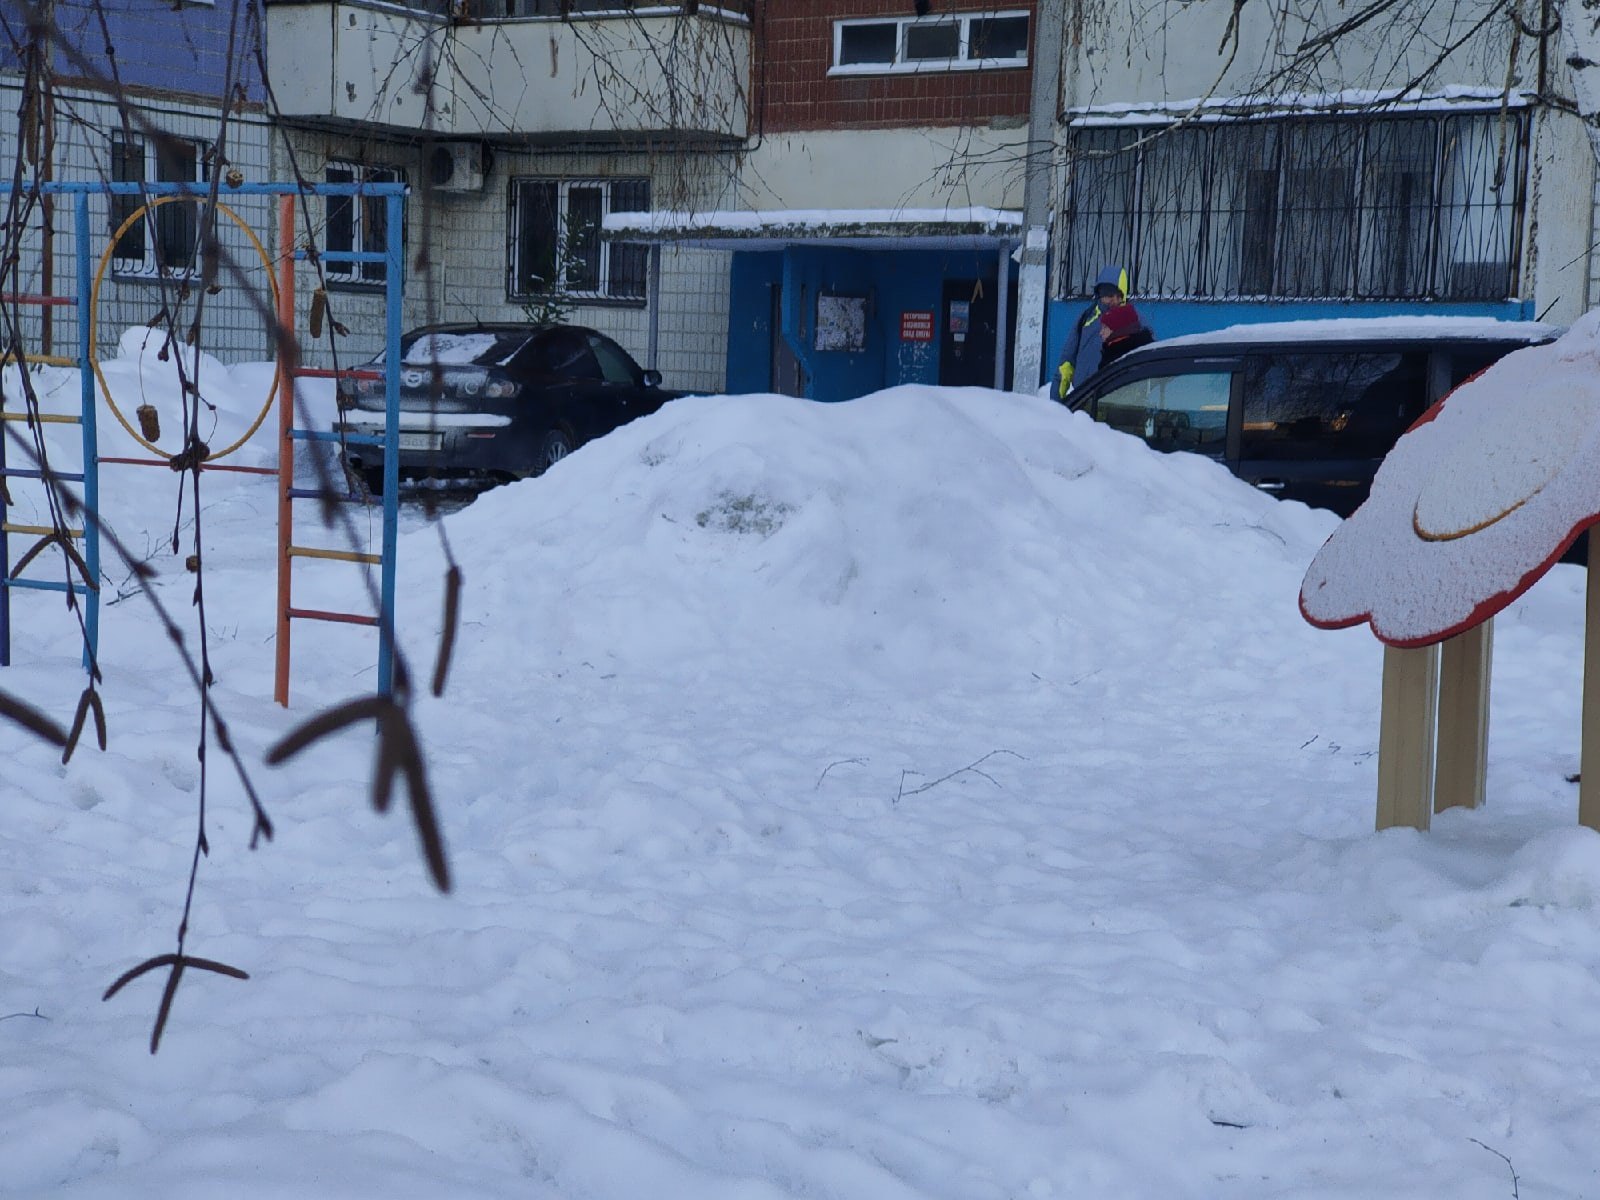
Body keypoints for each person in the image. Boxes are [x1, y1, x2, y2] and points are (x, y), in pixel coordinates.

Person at [1056, 266, 1150, 399]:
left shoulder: (1136, 320)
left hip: (1122, 402)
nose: (1110, 300)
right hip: (1085, 398)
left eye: (1114, 294)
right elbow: (1067, 362)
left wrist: (1139, 398)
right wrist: (1056, 403)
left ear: (1122, 294)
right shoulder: (1086, 318)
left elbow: (1146, 361)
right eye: (1105, 294)